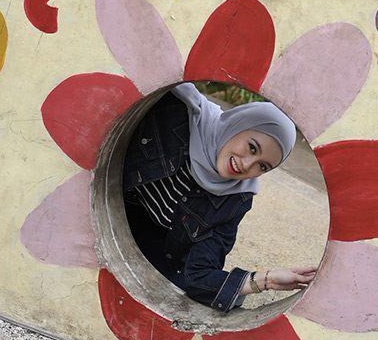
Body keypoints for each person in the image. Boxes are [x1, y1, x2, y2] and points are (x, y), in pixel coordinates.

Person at [122, 84, 318, 312]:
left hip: (147, 256)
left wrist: (266, 280)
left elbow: (199, 275)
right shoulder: (176, 114)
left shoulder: (235, 200)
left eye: (262, 166)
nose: (247, 165)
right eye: (252, 147)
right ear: (238, 124)